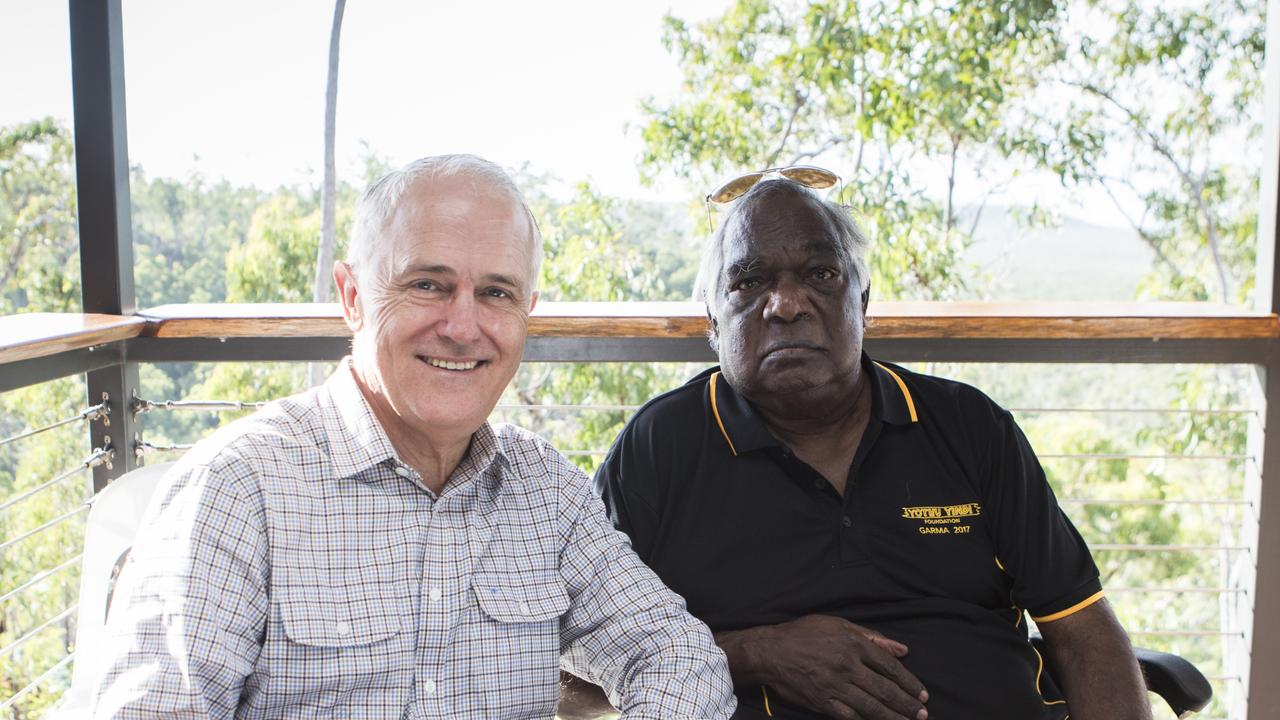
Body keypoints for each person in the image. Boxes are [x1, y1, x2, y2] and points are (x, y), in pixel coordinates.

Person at [93, 155, 735, 719]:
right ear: (352, 298)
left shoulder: (547, 492)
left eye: (496, 293)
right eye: (427, 284)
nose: (463, 326)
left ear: (526, 313)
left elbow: (679, 659)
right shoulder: (239, 489)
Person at [587, 175, 1151, 719]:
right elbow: (575, 670)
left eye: (820, 273)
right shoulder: (659, 448)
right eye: (748, 282)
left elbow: (1083, 633)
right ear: (712, 319)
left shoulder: (968, 427)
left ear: (864, 301)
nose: (785, 303)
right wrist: (757, 653)